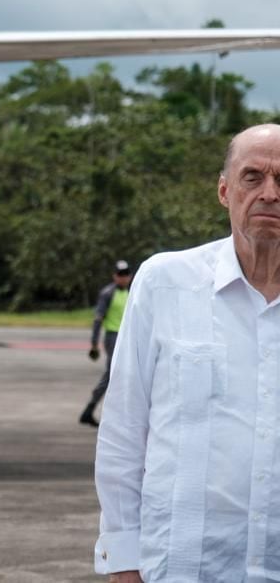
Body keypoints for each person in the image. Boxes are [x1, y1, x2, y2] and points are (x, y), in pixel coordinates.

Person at [95, 124, 280, 582]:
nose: (270, 193)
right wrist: (123, 560)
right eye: (252, 177)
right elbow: (123, 429)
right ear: (224, 190)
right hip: (184, 566)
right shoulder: (165, 282)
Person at [79, 260, 132, 427]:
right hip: (113, 337)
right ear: (114, 276)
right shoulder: (108, 293)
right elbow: (98, 319)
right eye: (120, 275)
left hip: (127, 337)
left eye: (126, 275)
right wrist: (94, 343)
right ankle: (90, 409)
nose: (123, 278)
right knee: (112, 375)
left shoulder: (133, 291)